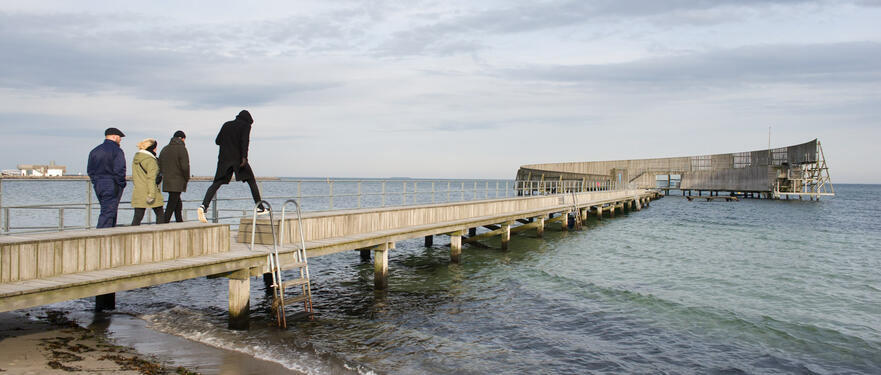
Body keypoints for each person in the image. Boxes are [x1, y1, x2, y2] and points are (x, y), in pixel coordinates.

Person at [198, 110, 266, 223]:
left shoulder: (226, 124)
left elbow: (217, 141)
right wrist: (244, 157)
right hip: (238, 160)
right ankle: (260, 207)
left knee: (216, 183)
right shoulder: (245, 126)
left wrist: (228, 142)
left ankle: (203, 207)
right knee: (251, 181)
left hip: (223, 160)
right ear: (248, 121)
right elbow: (245, 141)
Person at [87, 127, 127, 228]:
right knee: (109, 212)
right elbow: (120, 169)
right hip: (112, 184)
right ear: (114, 137)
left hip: (98, 184)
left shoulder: (95, 151)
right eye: (119, 137)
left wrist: (95, 181)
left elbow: (90, 170)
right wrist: (121, 183)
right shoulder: (117, 151)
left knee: (106, 210)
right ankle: (101, 235)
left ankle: (107, 233)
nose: (120, 140)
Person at [131, 138, 165, 225]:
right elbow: (151, 178)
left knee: (138, 216)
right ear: (152, 148)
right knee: (160, 215)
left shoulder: (136, 158)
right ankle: (160, 235)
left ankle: (133, 235)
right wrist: (152, 194)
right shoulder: (150, 160)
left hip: (138, 191)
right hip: (150, 191)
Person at [158, 130, 190, 223]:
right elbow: (185, 166)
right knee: (172, 202)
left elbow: (160, 164)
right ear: (182, 138)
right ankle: (164, 221)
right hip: (178, 180)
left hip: (167, 180)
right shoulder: (182, 149)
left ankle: (179, 220)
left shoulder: (165, 149)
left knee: (176, 201)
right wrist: (186, 178)